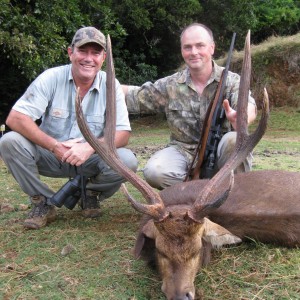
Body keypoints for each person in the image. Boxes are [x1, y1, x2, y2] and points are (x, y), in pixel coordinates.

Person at [0, 27, 138, 229]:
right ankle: (43, 202)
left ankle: (90, 193)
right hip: (51, 154)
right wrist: (54, 146)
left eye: (95, 53)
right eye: (83, 51)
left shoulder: (111, 84)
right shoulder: (51, 77)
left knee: (128, 160)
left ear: (104, 57)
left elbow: (123, 133)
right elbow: (16, 118)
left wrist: (90, 147)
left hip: (90, 157)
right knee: (9, 142)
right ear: (70, 52)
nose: (88, 58)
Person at [122, 23, 256, 190]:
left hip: (221, 154)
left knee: (236, 139)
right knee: (154, 172)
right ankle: (200, 192)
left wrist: (241, 118)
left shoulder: (232, 81)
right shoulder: (170, 85)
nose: (194, 52)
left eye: (200, 45)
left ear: (212, 48)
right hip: (183, 152)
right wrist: (101, 80)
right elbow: (135, 95)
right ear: (182, 51)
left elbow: (248, 105)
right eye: (188, 47)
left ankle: (236, 195)